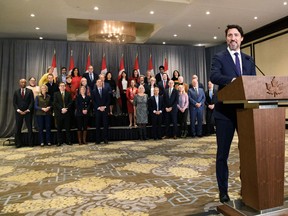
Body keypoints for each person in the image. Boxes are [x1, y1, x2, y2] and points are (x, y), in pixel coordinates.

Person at [210, 24, 256, 203]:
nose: (233, 38)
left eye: (236, 35)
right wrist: (233, 81)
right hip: (225, 114)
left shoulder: (248, 59)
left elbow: (253, 83)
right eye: (229, 35)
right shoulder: (219, 57)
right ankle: (223, 191)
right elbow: (214, 76)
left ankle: (248, 189)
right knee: (223, 154)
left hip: (245, 112)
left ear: (241, 38)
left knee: (248, 153)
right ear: (226, 39)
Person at [13, 79, 34, 148]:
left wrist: (28, 110)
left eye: (24, 82)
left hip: (27, 112)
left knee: (30, 128)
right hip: (19, 113)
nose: (23, 83)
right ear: (19, 83)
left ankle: (31, 143)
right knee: (18, 128)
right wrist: (19, 110)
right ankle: (18, 143)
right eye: (22, 82)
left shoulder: (30, 91)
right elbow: (14, 103)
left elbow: (32, 102)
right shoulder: (16, 92)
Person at [92, 79, 110, 144]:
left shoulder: (105, 90)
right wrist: (99, 107)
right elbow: (93, 101)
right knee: (97, 125)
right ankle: (98, 140)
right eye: (98, 82)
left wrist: (104, 107)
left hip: (104, 110)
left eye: (100, 82)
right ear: (96, 83)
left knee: (105, 125)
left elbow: (108, 100)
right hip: (98, 110)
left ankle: (105, 139)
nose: (99, 83)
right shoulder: (93, 91)